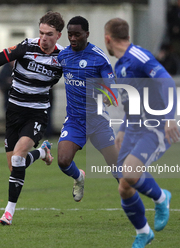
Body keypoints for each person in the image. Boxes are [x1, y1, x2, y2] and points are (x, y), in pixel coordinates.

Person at [0, 11, 65, 225]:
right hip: (14, 112)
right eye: (41, 32)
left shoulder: (64, 58)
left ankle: (8, 212)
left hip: (37, 114)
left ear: (59, 35)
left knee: (19, 156)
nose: (43, 38)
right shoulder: (26, 47)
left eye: (49, 34)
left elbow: (80, 79)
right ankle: (42, 152)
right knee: (14, 166)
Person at [104, 18, 180, 248]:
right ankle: (143, 233)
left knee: (130, 172)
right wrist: (124, 128)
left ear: (108, 39)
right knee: (124, 186)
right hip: (134, 129)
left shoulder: (139, 56)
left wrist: (170, 116)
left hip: (155, 127)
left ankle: (161, 198)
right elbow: (133, 103)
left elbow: (167, 81)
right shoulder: (120, 65)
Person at [57, 16, 119, 203]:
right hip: (75, 120)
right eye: (70, 35)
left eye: (77, 34)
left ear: (87, 34)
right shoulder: (63, 56)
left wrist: (109, 95)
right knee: (63, 160)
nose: (73, 38)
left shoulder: (98, 57)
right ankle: (79, 177)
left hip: (97, 120)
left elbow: (112, 86)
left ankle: (135, 204)